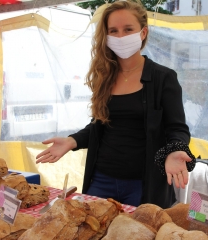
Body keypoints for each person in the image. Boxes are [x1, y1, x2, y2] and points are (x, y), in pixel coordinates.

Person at [36, 0, 196, 208]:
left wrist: (174, 150)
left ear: (143, 32)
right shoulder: (105, 77)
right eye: (114, 31)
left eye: (128, 29)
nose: (120, 36)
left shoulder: (163, 77)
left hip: (143, 184)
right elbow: (99, 125)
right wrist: (72, 141)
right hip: (101, 179)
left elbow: (177, 128)